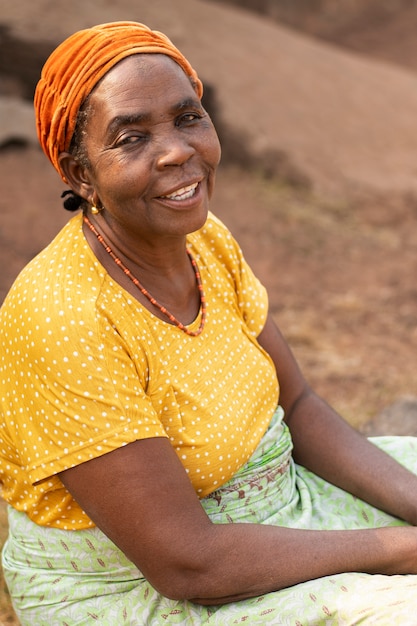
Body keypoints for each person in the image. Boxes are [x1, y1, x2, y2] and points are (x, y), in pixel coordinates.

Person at [1, 20, 417, 626]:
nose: (176, 151)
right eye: (130, 137)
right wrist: (403, 553)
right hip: (141, 587)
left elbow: (296, 404)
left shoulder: (204, 242)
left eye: (187, 117)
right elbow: (187, 564)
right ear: (79, 173)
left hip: (277, 511)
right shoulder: (63, 317)